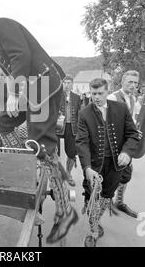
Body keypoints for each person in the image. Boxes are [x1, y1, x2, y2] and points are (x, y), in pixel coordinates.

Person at [0, 7, 78, 244]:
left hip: (44, 87)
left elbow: (21, 56)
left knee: (42, 145)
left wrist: (14, 94)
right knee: (3, 121)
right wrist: (13, 96)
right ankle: (33, 159)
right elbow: (12, 70)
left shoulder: (1, 25)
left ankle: (65, 212)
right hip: (31, 92)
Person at [76, 78, 139, 247]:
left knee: (106, 195)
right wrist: (87, 167)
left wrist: (126, 151)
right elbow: (81, 142)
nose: (96, 97)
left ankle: (94, 219)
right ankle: (93, 230)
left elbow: (133, 134)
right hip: (95, 165)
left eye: (100, 93)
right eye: (93, 93)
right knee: (92, 195)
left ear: (107, 90)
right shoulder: (84, 113)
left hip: (116, 164)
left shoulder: (121, 108)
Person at [107, 70, 141, 218]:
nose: (133, 85)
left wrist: (134, 131)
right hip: (112, 145)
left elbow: (131, 120)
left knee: (126, 174)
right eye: (130, 82)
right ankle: (104, 203)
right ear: (122, 82)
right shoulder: (112, 97)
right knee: (108, 176)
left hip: (126, 144)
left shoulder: (133, 99)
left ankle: (118, 201)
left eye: (135, 83)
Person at [56, 75, 81, 182]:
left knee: (71, 152)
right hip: (58, 126)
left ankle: (68, 173)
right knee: (55, 150)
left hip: (72, 126)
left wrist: (80, 128)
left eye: (69, 83)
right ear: (62, 84)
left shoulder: (76, 97)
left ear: (72, 84)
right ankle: (56, 174)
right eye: (65, 82)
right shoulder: (57, 95)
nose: (66, 85)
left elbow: (79, 113)